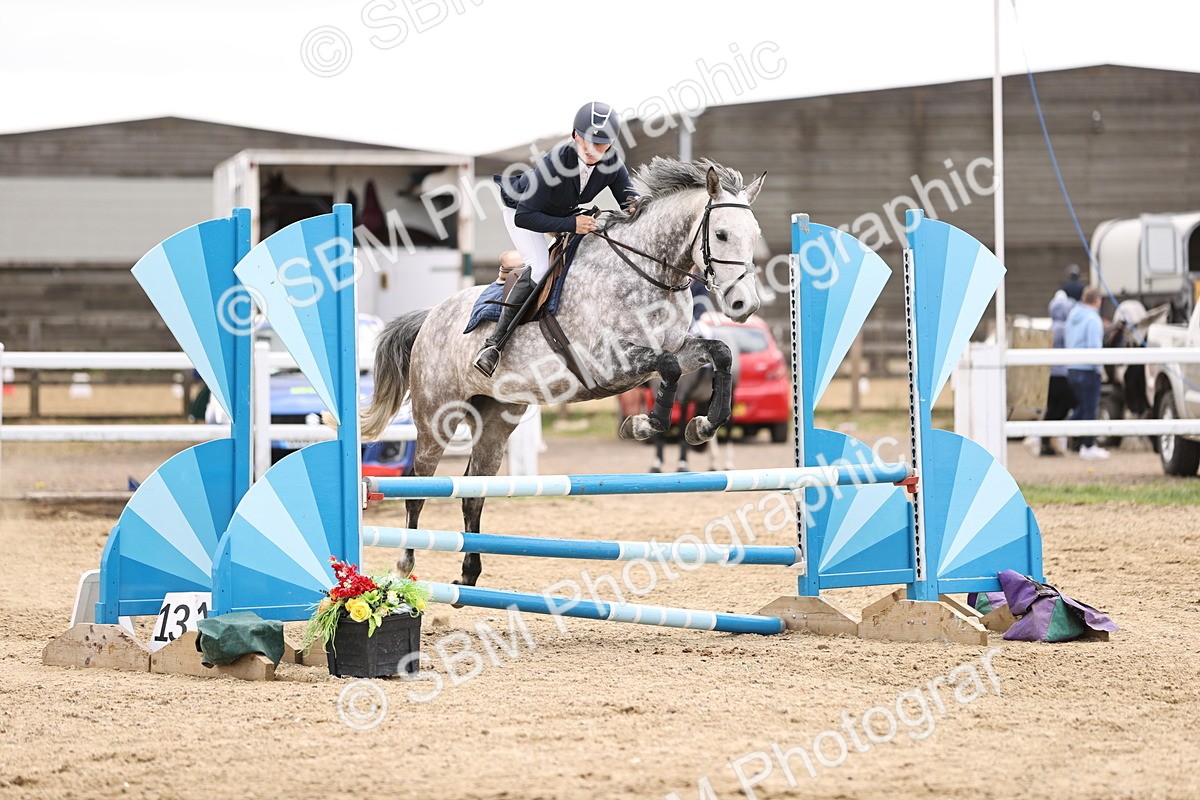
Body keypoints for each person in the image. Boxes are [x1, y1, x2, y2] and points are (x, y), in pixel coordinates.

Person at [475, 101, 640, 377]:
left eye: (601, 145)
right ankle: (494, 346)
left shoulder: (610, 162)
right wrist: (572, 224)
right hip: (522, 210)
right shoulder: (555, 162)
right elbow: (525, 217)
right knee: (540, 267)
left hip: (559, 212)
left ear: (611, 144)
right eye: (587, 142)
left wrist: (640, 207)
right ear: (576, 135)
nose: (592, 151)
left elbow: (630, 201)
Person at [1065, 286, 1109, 460]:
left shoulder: (1073, 316)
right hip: (1088, 370)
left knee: (1083, 407)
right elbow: (1094, 347)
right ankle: (1088, 445)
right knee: (1091, 408)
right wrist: (1101, 368)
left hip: (1072, 368)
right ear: (1097, 301)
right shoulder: (1093, 319)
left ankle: (1056, 433)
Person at [1040, 290, 1078, 456]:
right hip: (1061, 374)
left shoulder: (1051, 327)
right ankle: (1060, 435)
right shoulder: (1064, 329)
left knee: (1053, 407)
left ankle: (1045, 440)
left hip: (1050, 375)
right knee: (1073, 402)